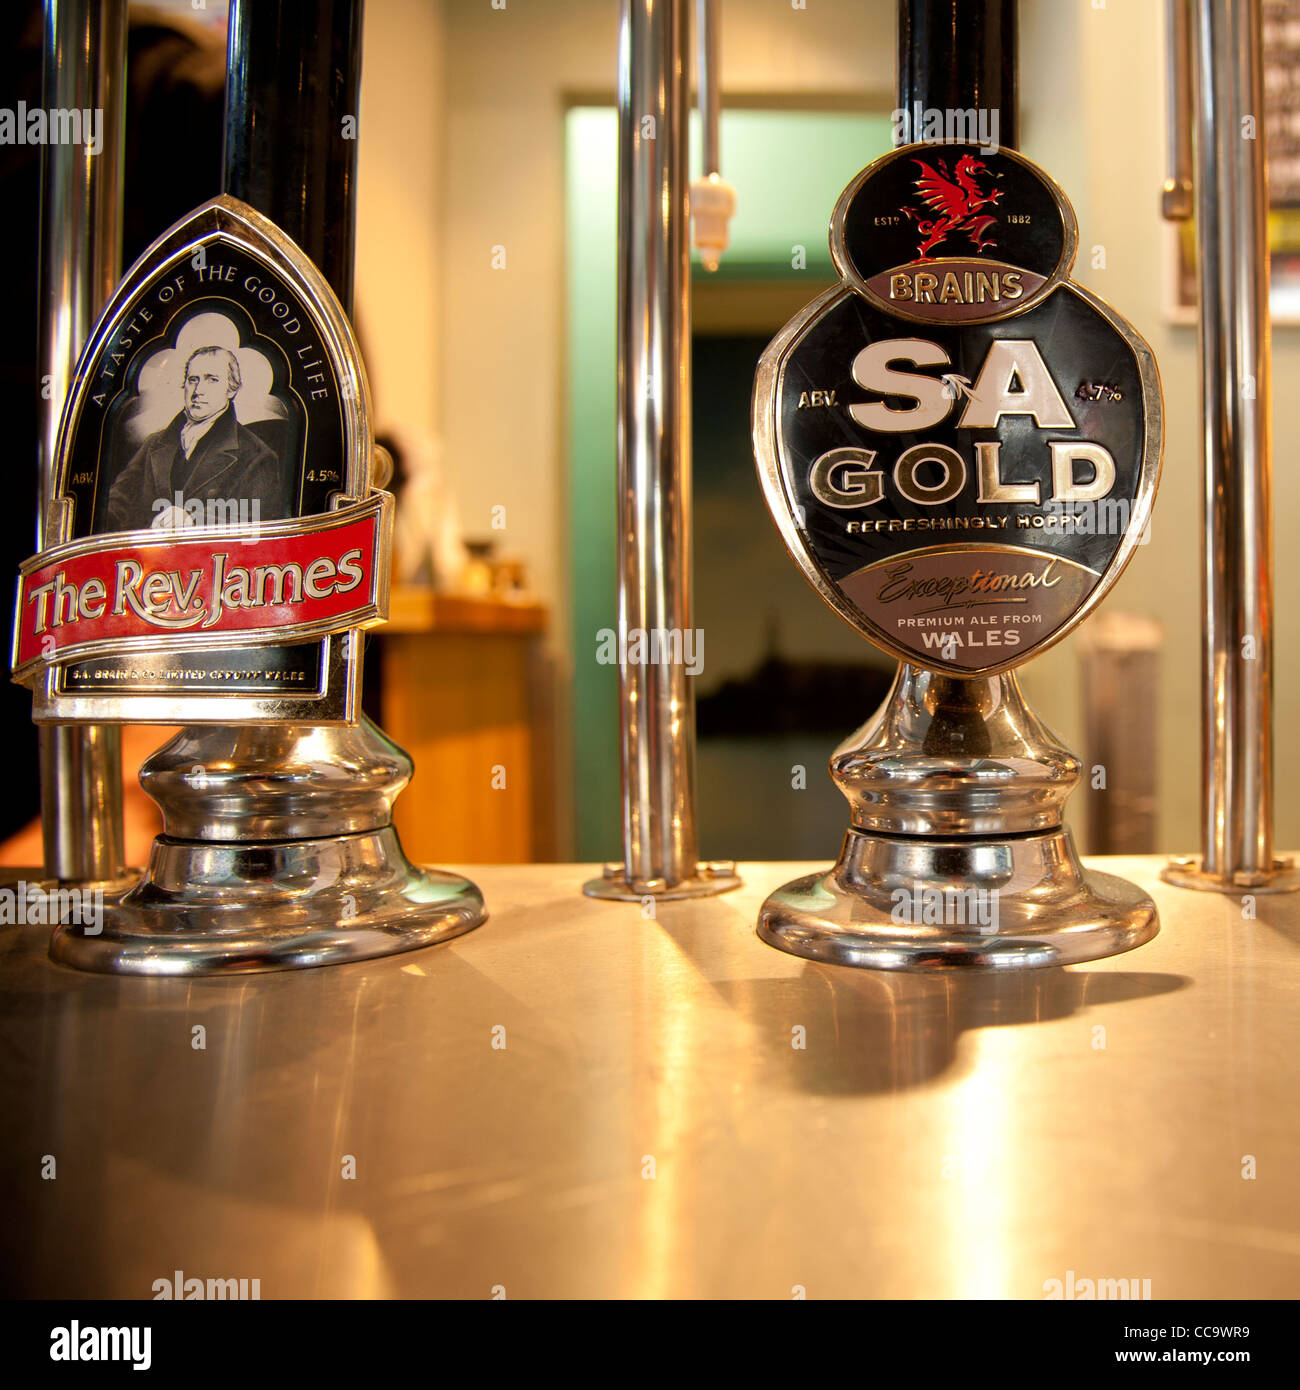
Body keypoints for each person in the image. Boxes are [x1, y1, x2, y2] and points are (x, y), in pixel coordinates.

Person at [103, 345, 285, 531]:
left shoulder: (257, 455)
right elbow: (118, 503)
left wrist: (193, 520)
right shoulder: (153, 444)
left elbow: (261, 523)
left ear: (231, 389)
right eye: (193, 380)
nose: (198, 391)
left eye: (211, 380)